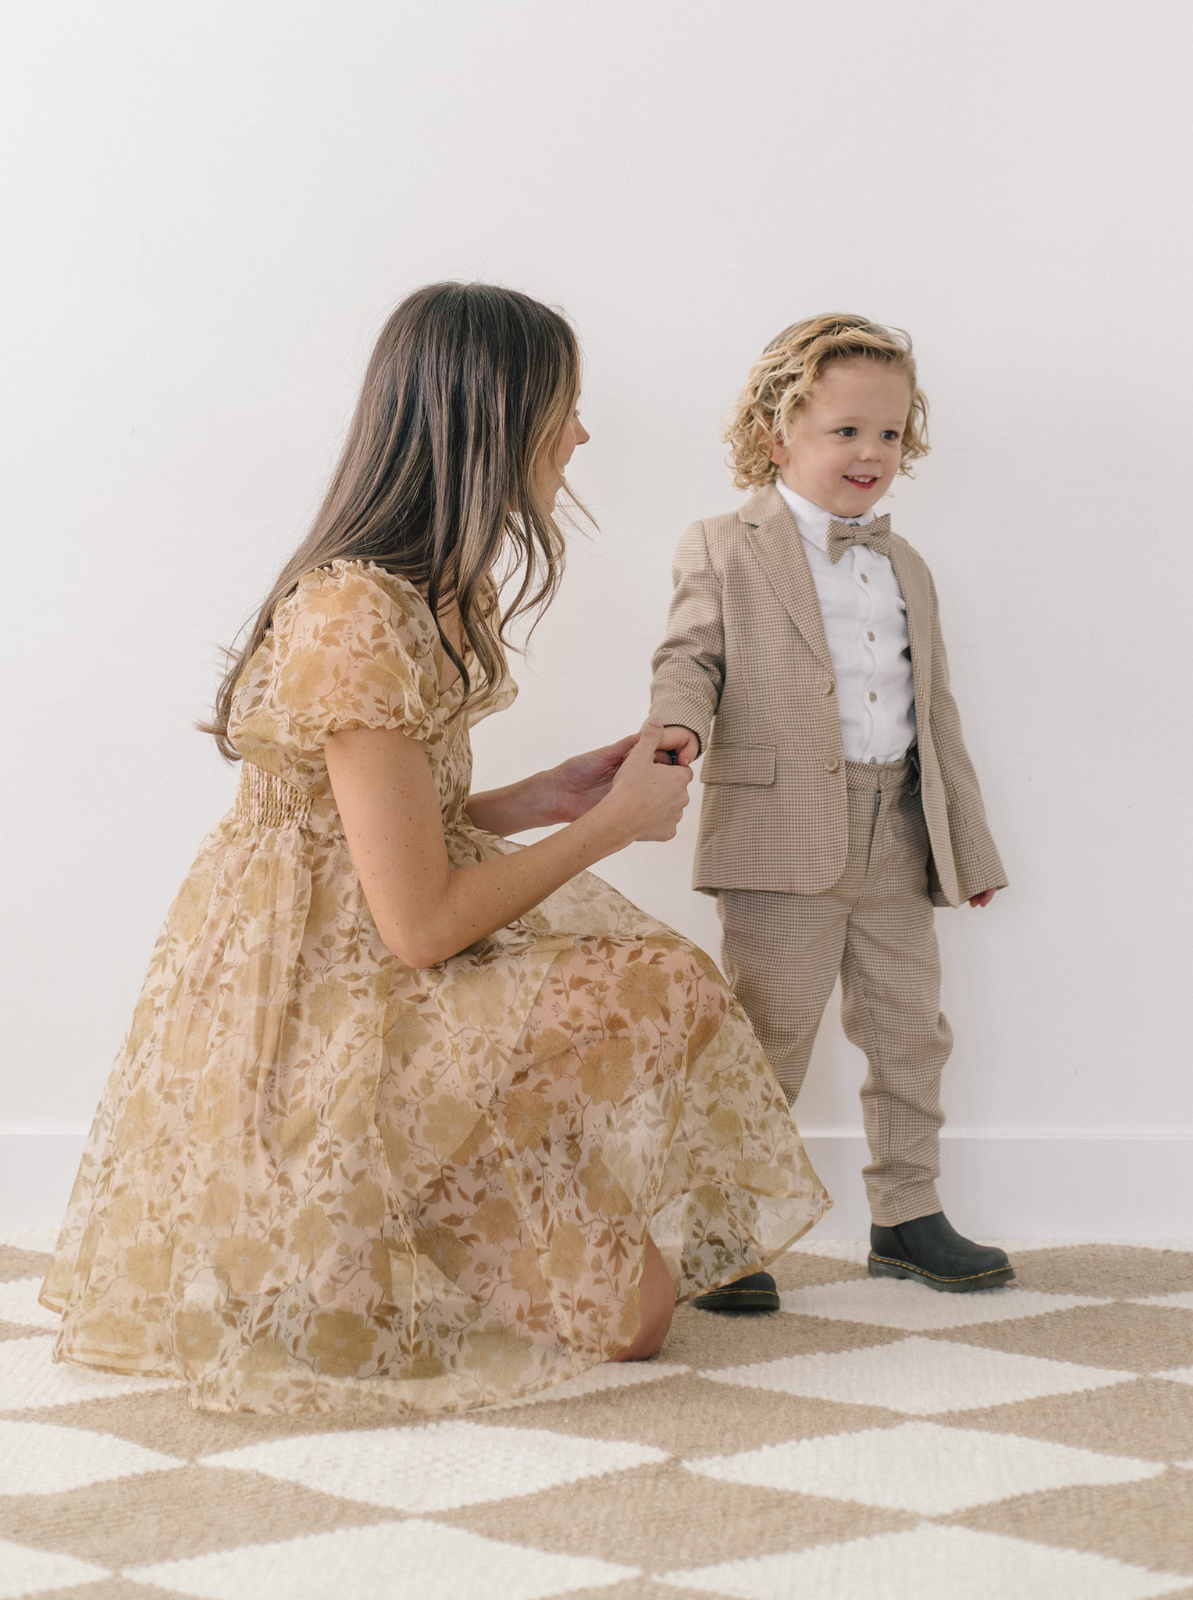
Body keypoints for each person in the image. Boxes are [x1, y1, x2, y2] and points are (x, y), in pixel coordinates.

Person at [40, 283, 828, 1414]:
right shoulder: (353, 613)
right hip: (319, 1015)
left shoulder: (432, 596)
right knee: (660, 982)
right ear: (488, 421)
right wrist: (606, 828)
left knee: (634, 1321)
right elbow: (416, 924)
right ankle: (346, 1186)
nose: (581, 434)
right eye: (563, 407)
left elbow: (374, 836)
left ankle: (404, 1181)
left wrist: (539, 799)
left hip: (378, 975)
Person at [650, 313, 1011, 1306]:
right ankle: (725, 1233)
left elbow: (933, 713)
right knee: (765, 1036)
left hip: (895, 827)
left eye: (888, 434)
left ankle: (905, 1213)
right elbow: (689, 659)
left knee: (909, 1031)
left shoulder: (905, 569)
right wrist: (673, 729)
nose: (869, 454)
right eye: (843, 431)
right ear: (777, 433)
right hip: (776, 834)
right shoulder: (726, 546)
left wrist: (964, 849)